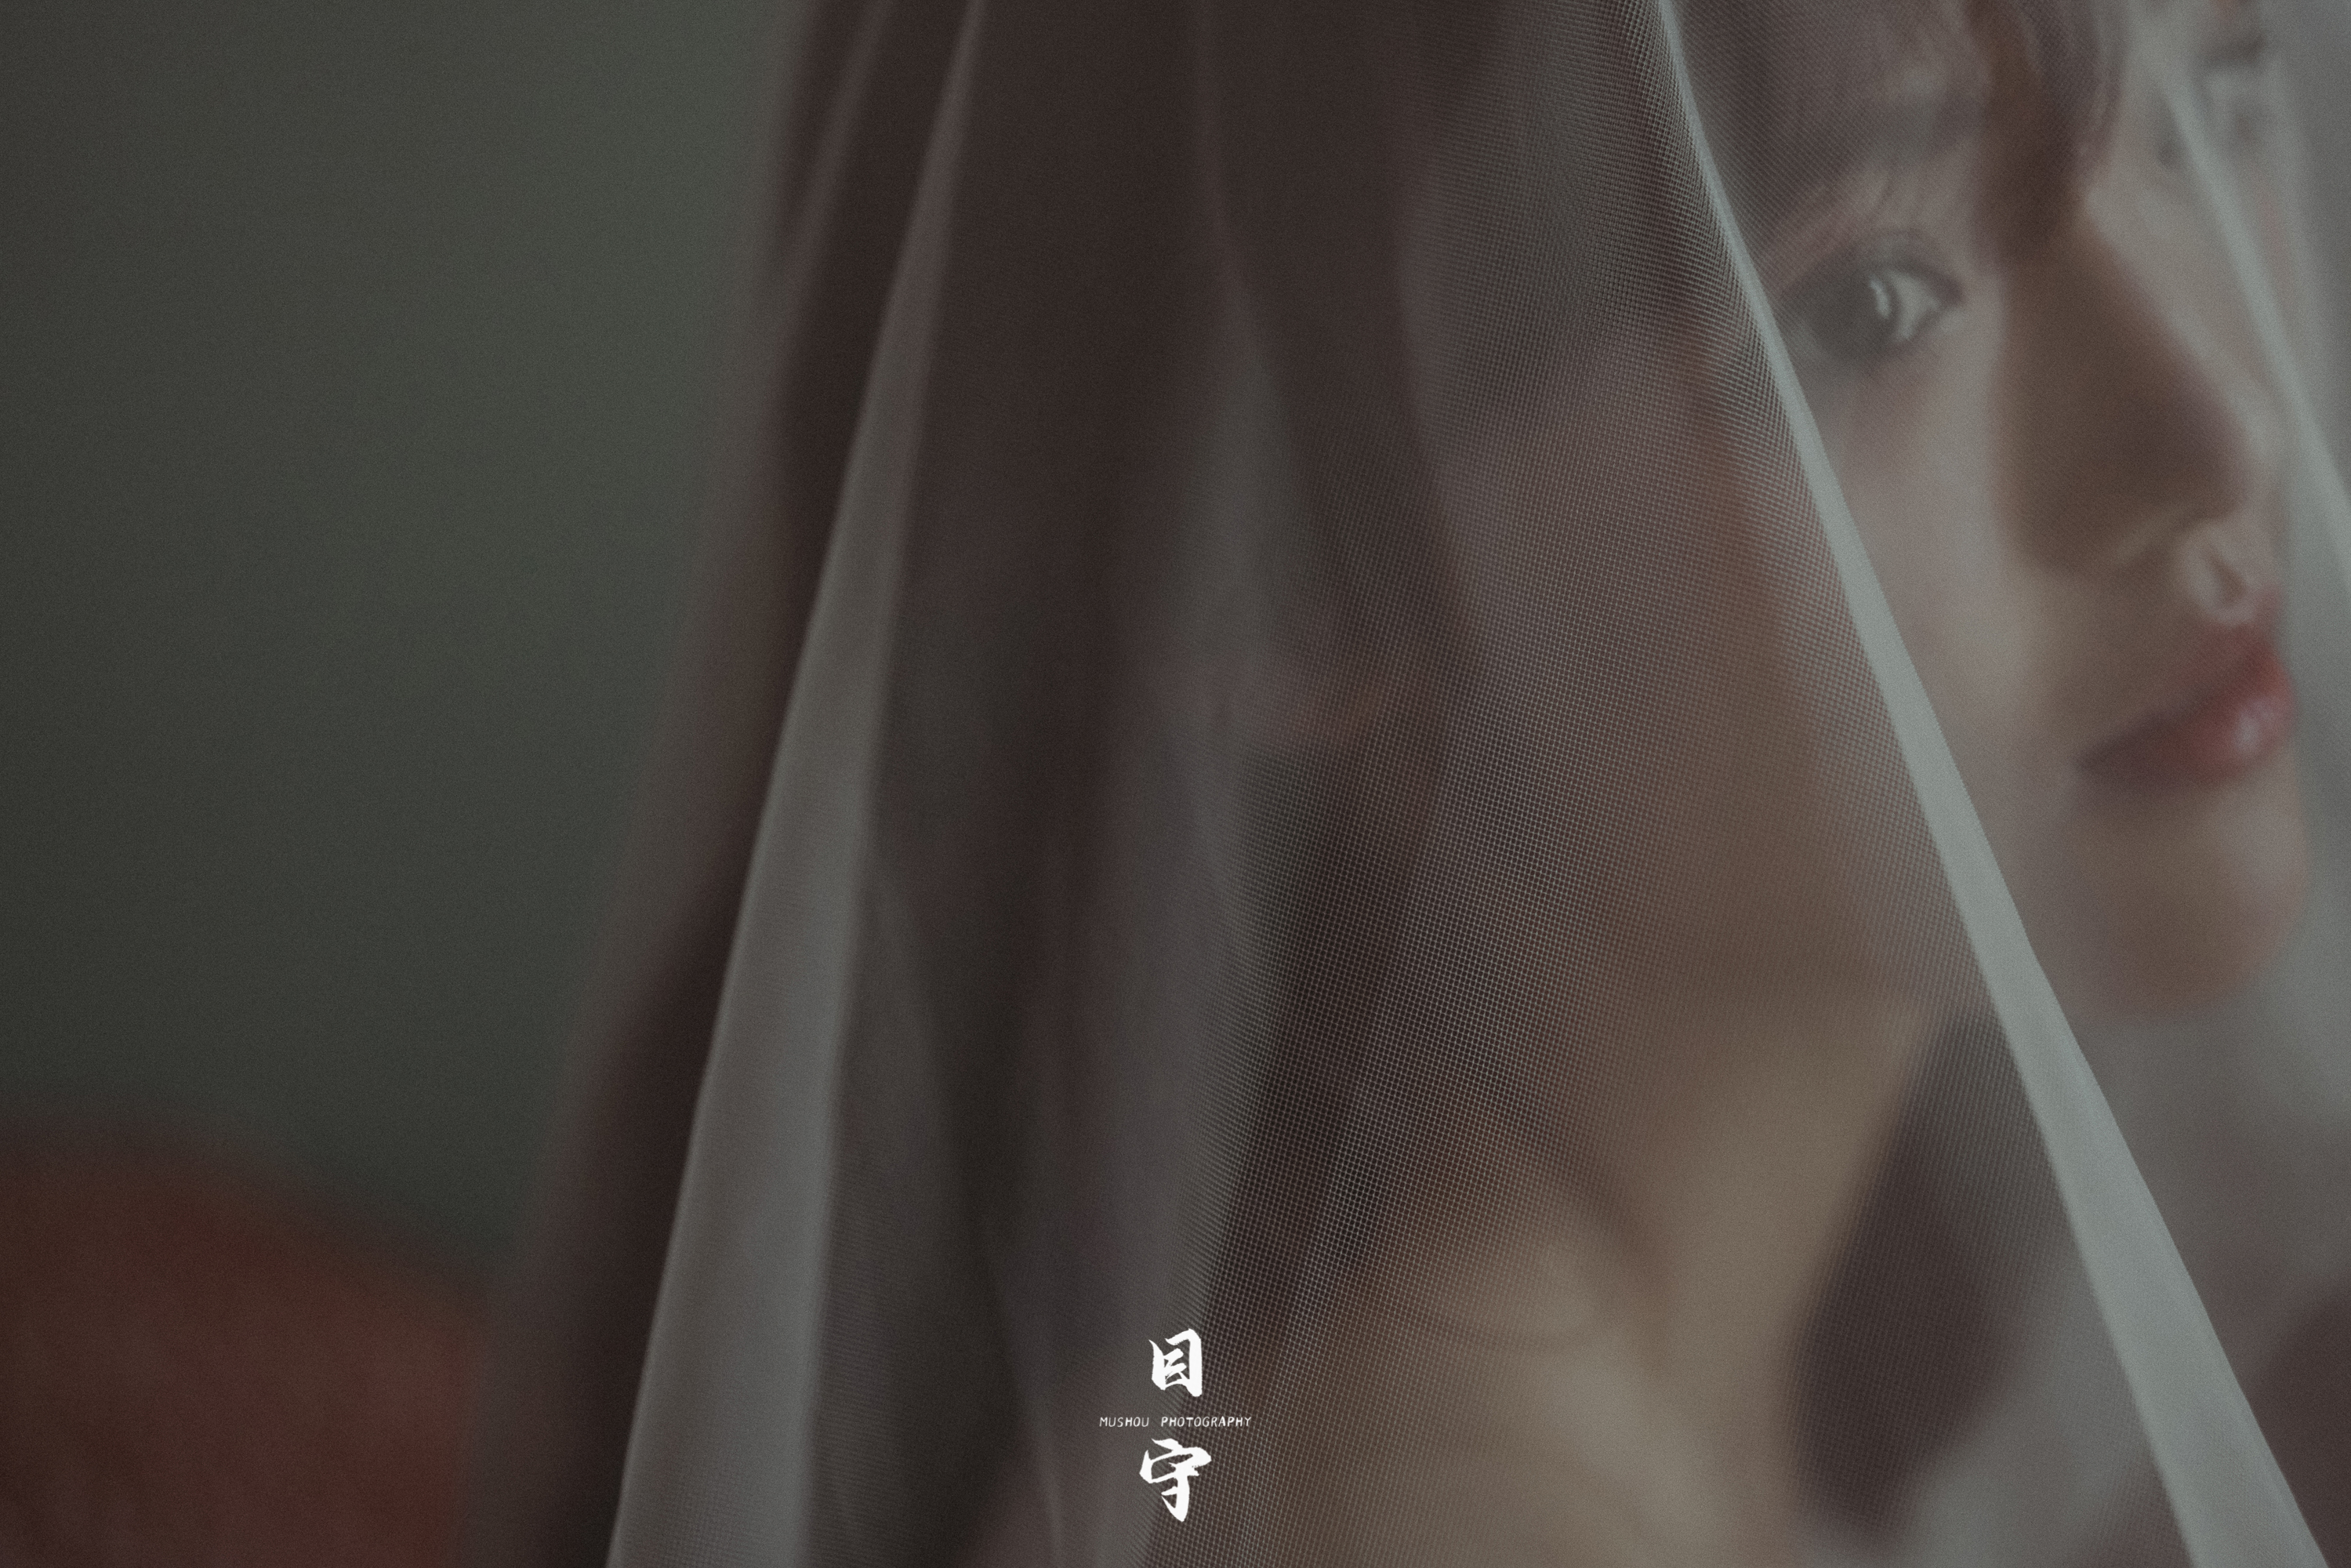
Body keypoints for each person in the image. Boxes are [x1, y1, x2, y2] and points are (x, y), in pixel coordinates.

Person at [466, 0, 2350, 1563]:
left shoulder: (1320, 1360)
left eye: (2213, 112)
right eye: (1869, 301)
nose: (2223, 424)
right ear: (1281, 576)